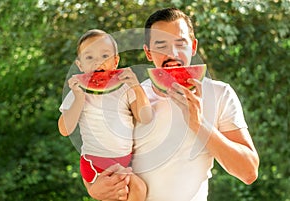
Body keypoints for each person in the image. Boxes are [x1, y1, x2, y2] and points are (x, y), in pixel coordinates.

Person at [87, 8, 260, 201]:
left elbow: (249, 171)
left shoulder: (219, 94)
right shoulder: (129, 97)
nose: (172, 53)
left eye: (180, 43)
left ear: (193, 47)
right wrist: (93, 187)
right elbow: (96, 150)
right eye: (161, 46)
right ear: (148, 53)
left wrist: (199, 124)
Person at [58, 29, 152, 201]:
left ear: (116, 61)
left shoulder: (125, 88)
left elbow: (145, 117)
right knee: (138, 187)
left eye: (104, 56)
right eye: (89, 57)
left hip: (123, 162)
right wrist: (79, 98)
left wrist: (137, 88)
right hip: (96, 161)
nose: (97, 62)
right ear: (80, 66)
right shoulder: (77, 92)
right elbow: (65, 129)